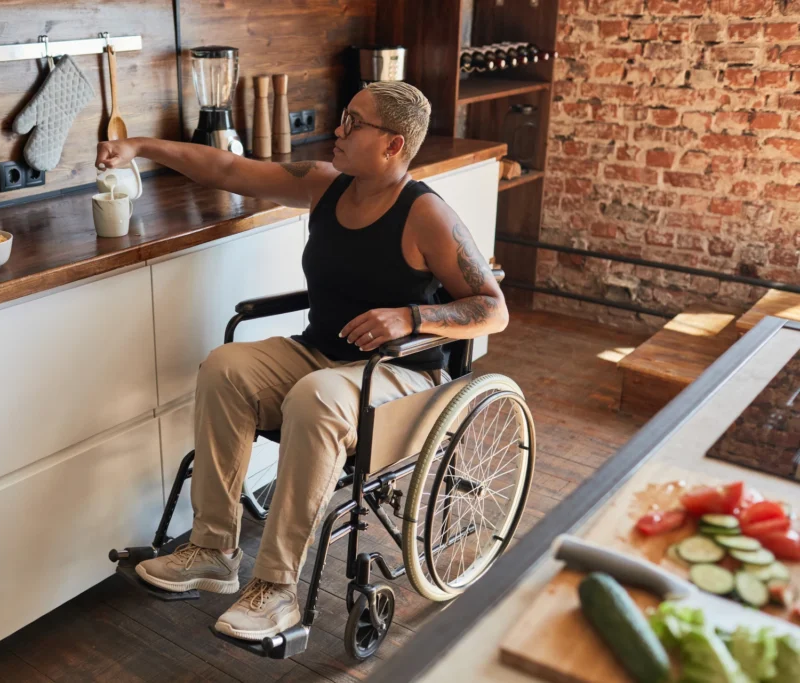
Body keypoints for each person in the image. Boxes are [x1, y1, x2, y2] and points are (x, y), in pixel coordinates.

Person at [95, 81, 508, 642]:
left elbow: (492, 309)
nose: (338, 131)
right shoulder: (325, 185)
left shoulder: (426, 214)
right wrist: (141, 146)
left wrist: (410, 316)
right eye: (343, 117)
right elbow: (230, 171)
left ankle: (277, 590)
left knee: (314, 396)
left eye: (353, 123)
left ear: (392, 145)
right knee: (225, 366)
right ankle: (213, 549)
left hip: (401, 373)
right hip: (322, 354)